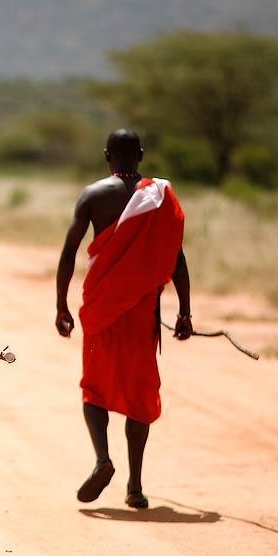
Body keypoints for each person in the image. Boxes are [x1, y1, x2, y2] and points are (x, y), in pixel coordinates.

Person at [54, 128, 191, 509]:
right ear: (141, 156)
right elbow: (175, 257)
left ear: (106, 156)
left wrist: (61, 305)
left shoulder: (94, 195)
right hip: (142, 313)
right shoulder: (160, 198)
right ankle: (135, 485)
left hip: (101, 308)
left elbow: (69, 253)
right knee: (140, 393)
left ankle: (102, 458)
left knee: (93, 388)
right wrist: (185, 310)